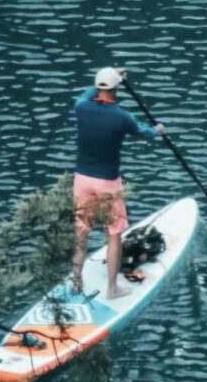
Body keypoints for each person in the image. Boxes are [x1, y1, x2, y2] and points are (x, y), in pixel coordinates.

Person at [71, 66, 165, 298]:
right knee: (114, 234)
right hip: (108, 183)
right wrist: (157, 131)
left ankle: (76, 283)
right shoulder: (122, 117)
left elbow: (89, 92)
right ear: (116, 89)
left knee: (81, 232)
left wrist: (109, 76)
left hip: (82, 179)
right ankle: (112, 290)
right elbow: (143, 131)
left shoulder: (81, 107)